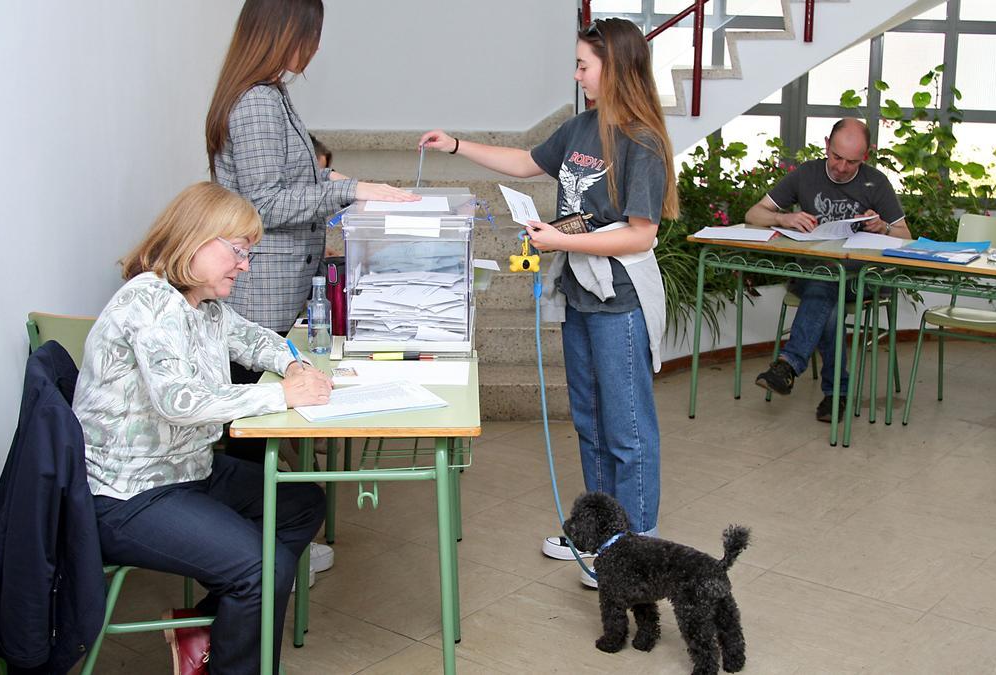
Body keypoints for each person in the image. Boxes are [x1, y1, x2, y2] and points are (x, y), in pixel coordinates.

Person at [419, 17, 677, 586]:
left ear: (616, 67)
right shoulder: (580, 127)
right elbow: (525, 162)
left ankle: (635, 545)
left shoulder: (643, 141)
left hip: (620, 299)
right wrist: (456, 145)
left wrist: (560, 240)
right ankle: (598, 533)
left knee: (627, 429)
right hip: (580, 295)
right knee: (587, 420)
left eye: (585, 64)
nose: (578, 73)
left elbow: (640, 233)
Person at [73, 182, 334, 674]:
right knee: (261, 567)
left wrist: (292, 362)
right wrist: (281, 393)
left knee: (301, 504)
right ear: (195, 239)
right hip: (128, 494)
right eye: (238, 251)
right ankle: (227, 651)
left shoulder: (202, 304)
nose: (245, 265)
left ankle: (210, 632)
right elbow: (179, 401)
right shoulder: (148, 302)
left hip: (185, 469)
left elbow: (253, 339)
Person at [204, 0, 417, 431]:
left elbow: (283, 174)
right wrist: (350, 190)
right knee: (256, 428)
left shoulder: (270, 94)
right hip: (261, 296)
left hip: (278, 294)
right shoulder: (258, 102)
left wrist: (333, 179)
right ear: (284, 34)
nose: (315, 49)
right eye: (311, 36)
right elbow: (263, 202)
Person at [745, 118, 912, 421]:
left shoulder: (876, 182)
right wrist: (784, 219)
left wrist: (884, 227)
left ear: (865, 157)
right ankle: (836, 395)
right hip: (810, 275)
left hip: (860, 278)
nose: (841, 167)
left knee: (828, 291)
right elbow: (754, 213)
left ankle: (789, 365)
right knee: (826, 293)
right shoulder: (806, 174)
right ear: (826, 145)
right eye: (836, 157)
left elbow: (906, 238)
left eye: (852, 162)